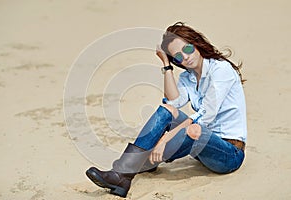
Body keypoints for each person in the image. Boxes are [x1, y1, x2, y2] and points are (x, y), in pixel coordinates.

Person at [85, 22, 247, 198]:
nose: (185, 58)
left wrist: (164, 139)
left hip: (228, 154)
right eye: (178, 57)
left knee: (195, 129)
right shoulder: (188, 77)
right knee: (166, 110)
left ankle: (141, 162)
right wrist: (167, 65)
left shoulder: (220, 70)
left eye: (187, 49)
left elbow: (205, 117)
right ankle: (122, 174)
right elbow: (172, 102)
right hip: (200, 148)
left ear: (196, 43)